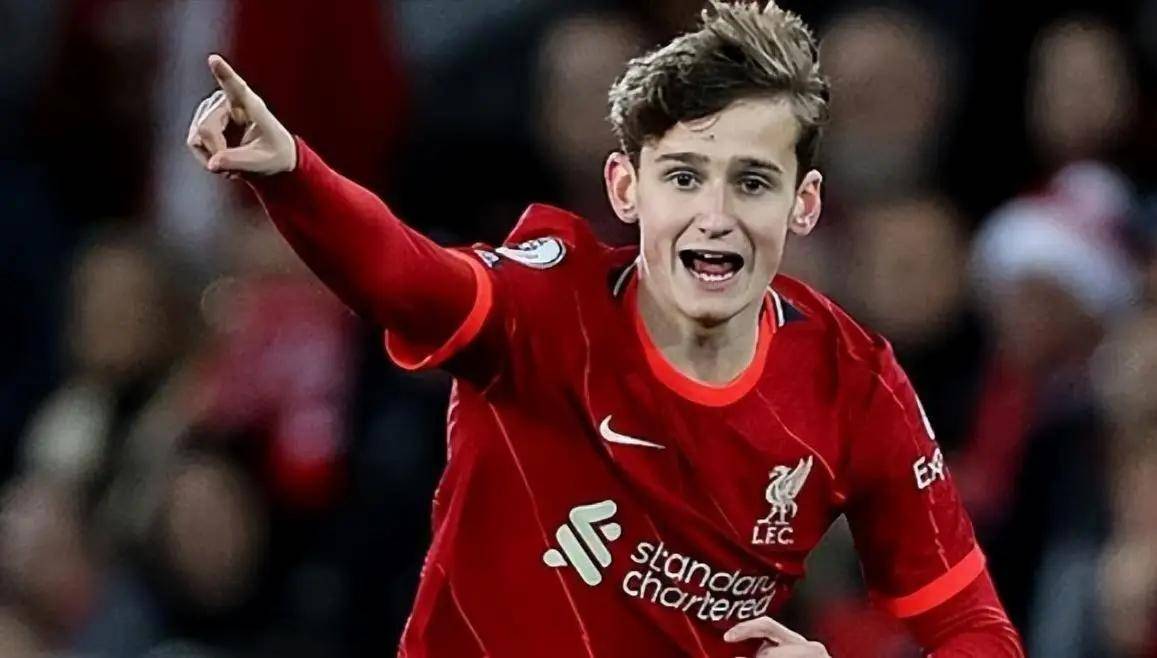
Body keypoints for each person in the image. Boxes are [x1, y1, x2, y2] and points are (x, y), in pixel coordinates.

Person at [185, 2, 1023, 656]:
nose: (715, 215)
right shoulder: (549, 303)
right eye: (684, 177)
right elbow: (409, 277)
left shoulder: (853, 383)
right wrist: (293, 175)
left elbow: (972, 627)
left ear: (802, 205)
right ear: (626, 189)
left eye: (752, 182)